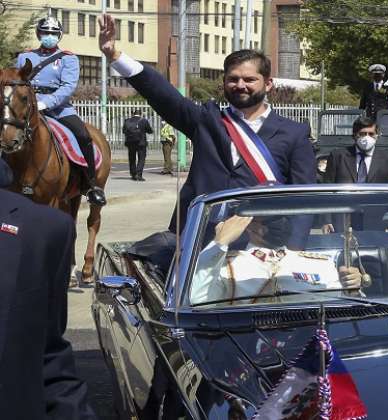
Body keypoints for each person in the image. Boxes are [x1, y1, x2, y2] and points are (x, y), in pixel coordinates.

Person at [98, 15, 315, 239]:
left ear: (268, 84)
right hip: (197, 244)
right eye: (233, 79)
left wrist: (294, 250)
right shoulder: (207, 121)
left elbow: (304, 203)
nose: (240, 85)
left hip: (260, 246)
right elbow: (162, 94)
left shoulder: (294, 133)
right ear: (224, 82)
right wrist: (114, 55)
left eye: (249, 79)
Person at [0, 159, 95, 418]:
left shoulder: (43, 229)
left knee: (80, 133)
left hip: (59, 116)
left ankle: (92, 183)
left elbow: (48, 356)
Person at [17, 16, 106, 205]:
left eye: (52, 33)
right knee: (8, 134)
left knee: (83, 136)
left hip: (59, 109)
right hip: (28, 108)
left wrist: (46, 103)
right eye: (45, 33)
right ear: (38, 34)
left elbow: (67, 87)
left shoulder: (68, 58)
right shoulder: (25, 57)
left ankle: (90, 184)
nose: (48, 36)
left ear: (59, 35)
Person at [190, 215, 363, 304]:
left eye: (284, 215)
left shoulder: (321, 264)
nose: (280, 221)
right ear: (249, 224)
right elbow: (197, 300)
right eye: (270, 217)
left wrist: (352, 289)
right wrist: (219, 243)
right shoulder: (225, 265)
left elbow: (342, 311)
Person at [321, 116, 388, 233]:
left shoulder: (387, 159)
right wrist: (326, 220)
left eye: (371, 134)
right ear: (354, 135)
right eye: (362, 134)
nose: (367, 138)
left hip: (376, 220)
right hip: (343, 218)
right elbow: (326, 190)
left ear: (377, 135)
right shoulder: (338, 156)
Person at [123, 109, 153, 181]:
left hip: (130, 143)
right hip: (141, 143)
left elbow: (124, 131)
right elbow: (149, 131)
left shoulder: (127, 121)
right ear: (141, 114)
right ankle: (138, 175)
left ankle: (133, 174)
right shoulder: (143, 121)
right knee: (141, 159)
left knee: (132, 159)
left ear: (133, 114)